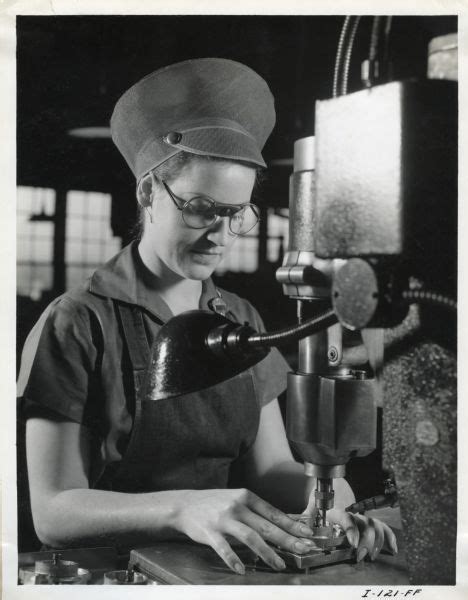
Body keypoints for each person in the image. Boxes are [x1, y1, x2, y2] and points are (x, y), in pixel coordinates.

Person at [17, 58, 397, 576]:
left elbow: (273, 467)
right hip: (110, 572)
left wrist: (334, 505)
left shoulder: (240, 316)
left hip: (217, 570)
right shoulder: (78, 322)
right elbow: (54, 512)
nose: (219, 235)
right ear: (148, 193)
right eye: (200, 208)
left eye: (236, 213)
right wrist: (184, 508)